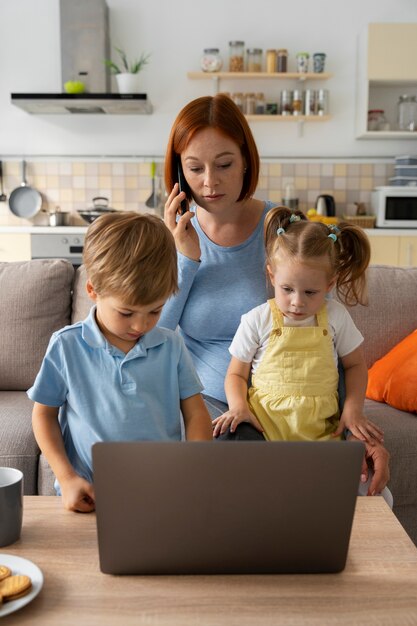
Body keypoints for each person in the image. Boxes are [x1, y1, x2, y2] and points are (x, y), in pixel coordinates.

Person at [161, 93, 390, 497]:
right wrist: (186, 259)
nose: (210, 182)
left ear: (247, 160)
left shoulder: (281, 228)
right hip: (216, 400)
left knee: (358, 490)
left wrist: (352, 421)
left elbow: (319, 335)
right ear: (178, 173)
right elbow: (153, 333)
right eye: (194, 169)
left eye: (225, 164)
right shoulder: (173, 234)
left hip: (295, 398)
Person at [29, 212, 212, 513]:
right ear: (92, 291)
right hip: (92, 494)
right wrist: (67, 477)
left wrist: (195, 466)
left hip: (163, 489)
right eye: (126, 313)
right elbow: (43, 416)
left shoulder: (171, 345)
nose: (140, 325)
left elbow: (195, 415)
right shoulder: (66, 345)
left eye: (154, 311)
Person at [212, 206, 391, 503]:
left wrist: (353, 409)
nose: (296, 302)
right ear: (271, 275)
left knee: (378, 495)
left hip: (322, 435)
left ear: (329, 285)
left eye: (310, 293)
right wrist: (238, 406)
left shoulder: (335, 316)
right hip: (265, 431)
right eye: (287, 289)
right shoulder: (257, 319)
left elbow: (356, 365)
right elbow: (236, 373)